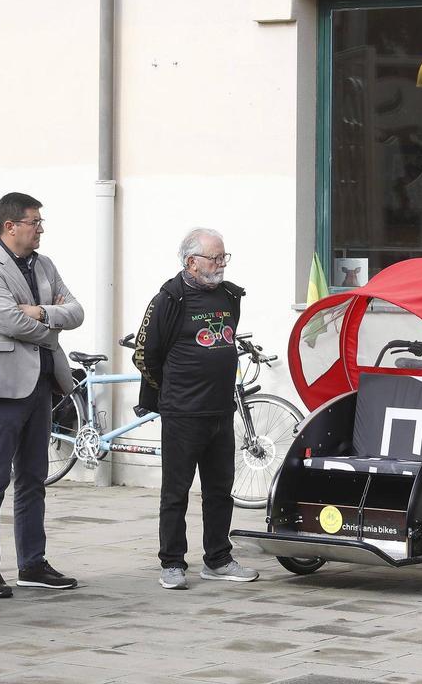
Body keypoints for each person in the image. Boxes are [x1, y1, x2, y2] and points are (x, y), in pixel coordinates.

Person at [0, 192, 84, 597]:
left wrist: (41, 312)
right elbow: (9, 323)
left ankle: (32, 563)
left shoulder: (45, 264)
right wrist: (48, 323)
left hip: (42, 383)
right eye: (34, 222)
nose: (41, 229)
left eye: (40, 222)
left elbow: (77, 311)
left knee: (34, 478)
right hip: (2, 385)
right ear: (9, 226)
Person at [133, 228, 259, 590]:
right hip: (182, 413)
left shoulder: (229, 296)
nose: (220, 265)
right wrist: (171, 392)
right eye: (214, 258)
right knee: (176, 491)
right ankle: (172, 562)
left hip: (221, 410)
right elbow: (145, 355)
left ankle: (218, 558)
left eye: (223, 257)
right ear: (191, 262)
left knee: (220, 490)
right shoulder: (169, 299)